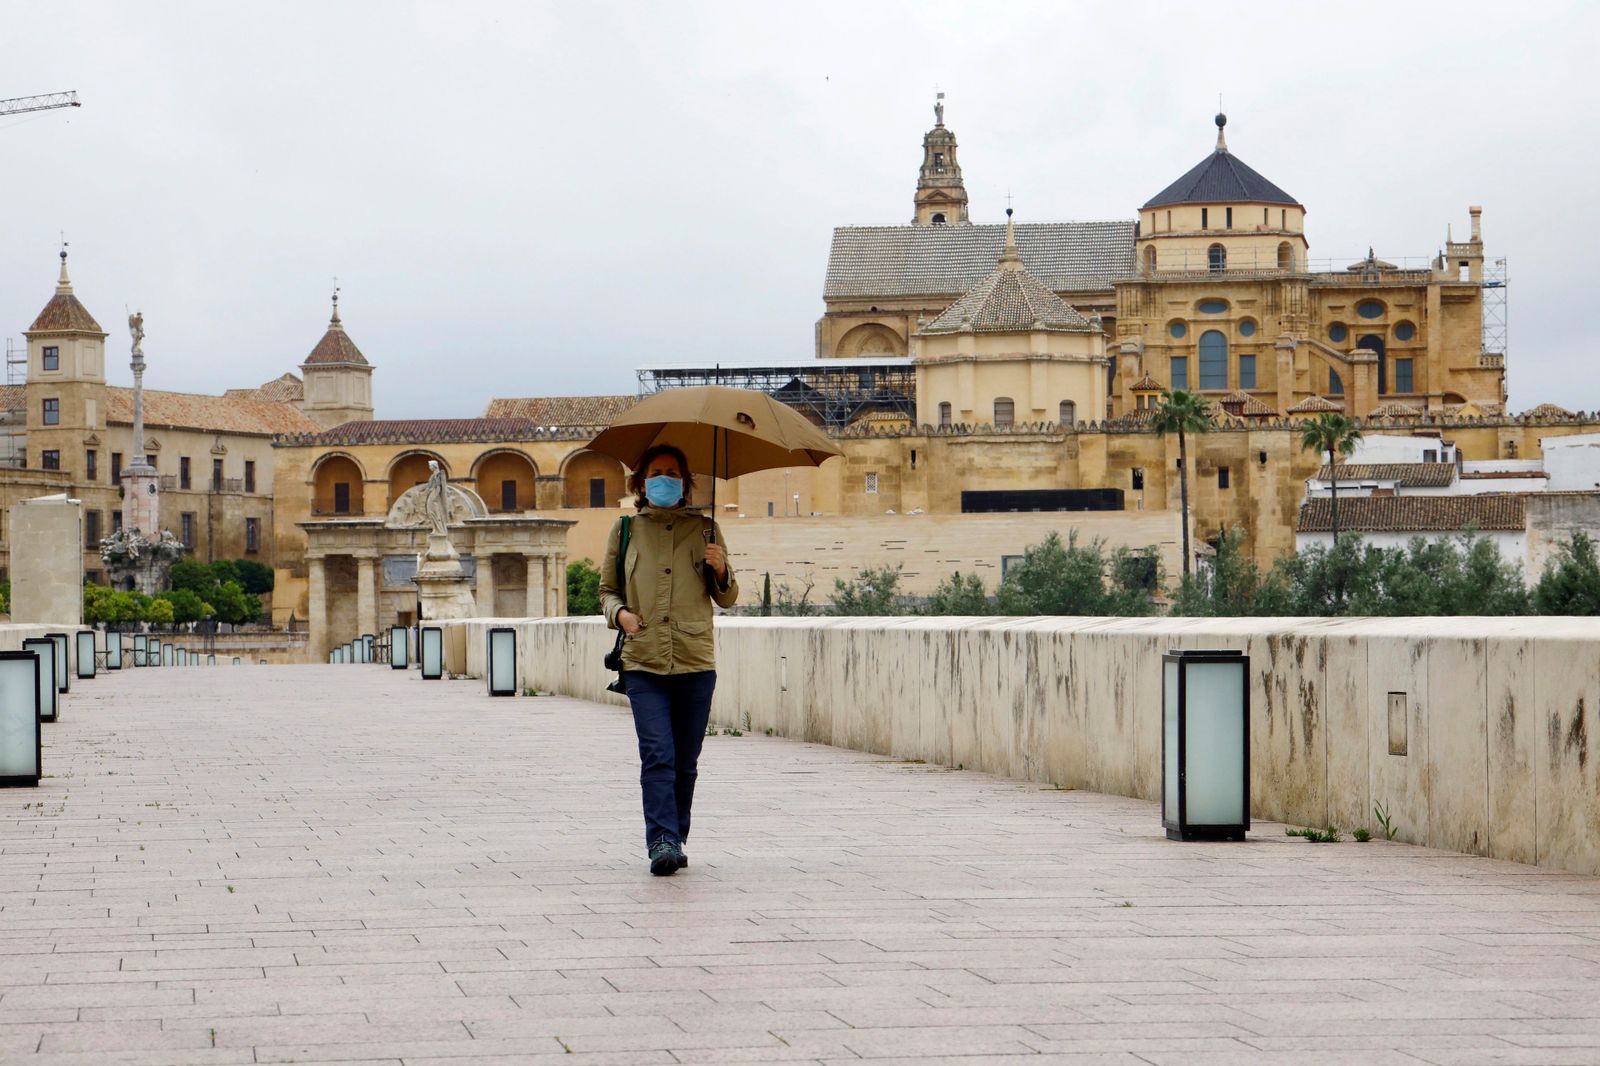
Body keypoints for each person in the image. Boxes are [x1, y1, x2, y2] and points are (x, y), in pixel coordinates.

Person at [600, 444, 739, 876]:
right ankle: (660, 839)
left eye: (673, 472)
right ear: (641, 482)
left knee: (686, 760)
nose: (665, 479)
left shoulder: (708, 529)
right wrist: (619, 615)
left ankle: (676, 835)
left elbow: (728, 598)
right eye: (657, 472)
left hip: (696, 660)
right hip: (643, 661)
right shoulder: (624, 530)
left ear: (685, 480)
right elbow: (607, 591)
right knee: (657, 753)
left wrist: (720, 569)